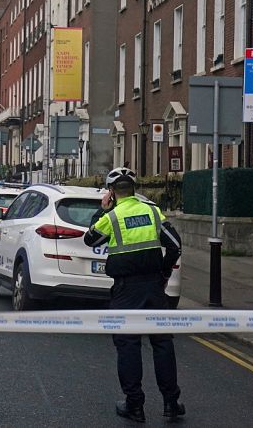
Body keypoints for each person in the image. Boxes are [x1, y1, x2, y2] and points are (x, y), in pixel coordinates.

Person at [83, 167, 185, 423]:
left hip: (126, 290)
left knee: (128, 345)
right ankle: (171, 403)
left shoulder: (112, 216)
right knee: (162, 343)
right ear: (135, 189)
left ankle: (134, 405)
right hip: (153, 287)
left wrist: (103, 210)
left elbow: (90, 240)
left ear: (111, 192)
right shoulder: (152, 211)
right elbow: (175, 245)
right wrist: (163, 275)